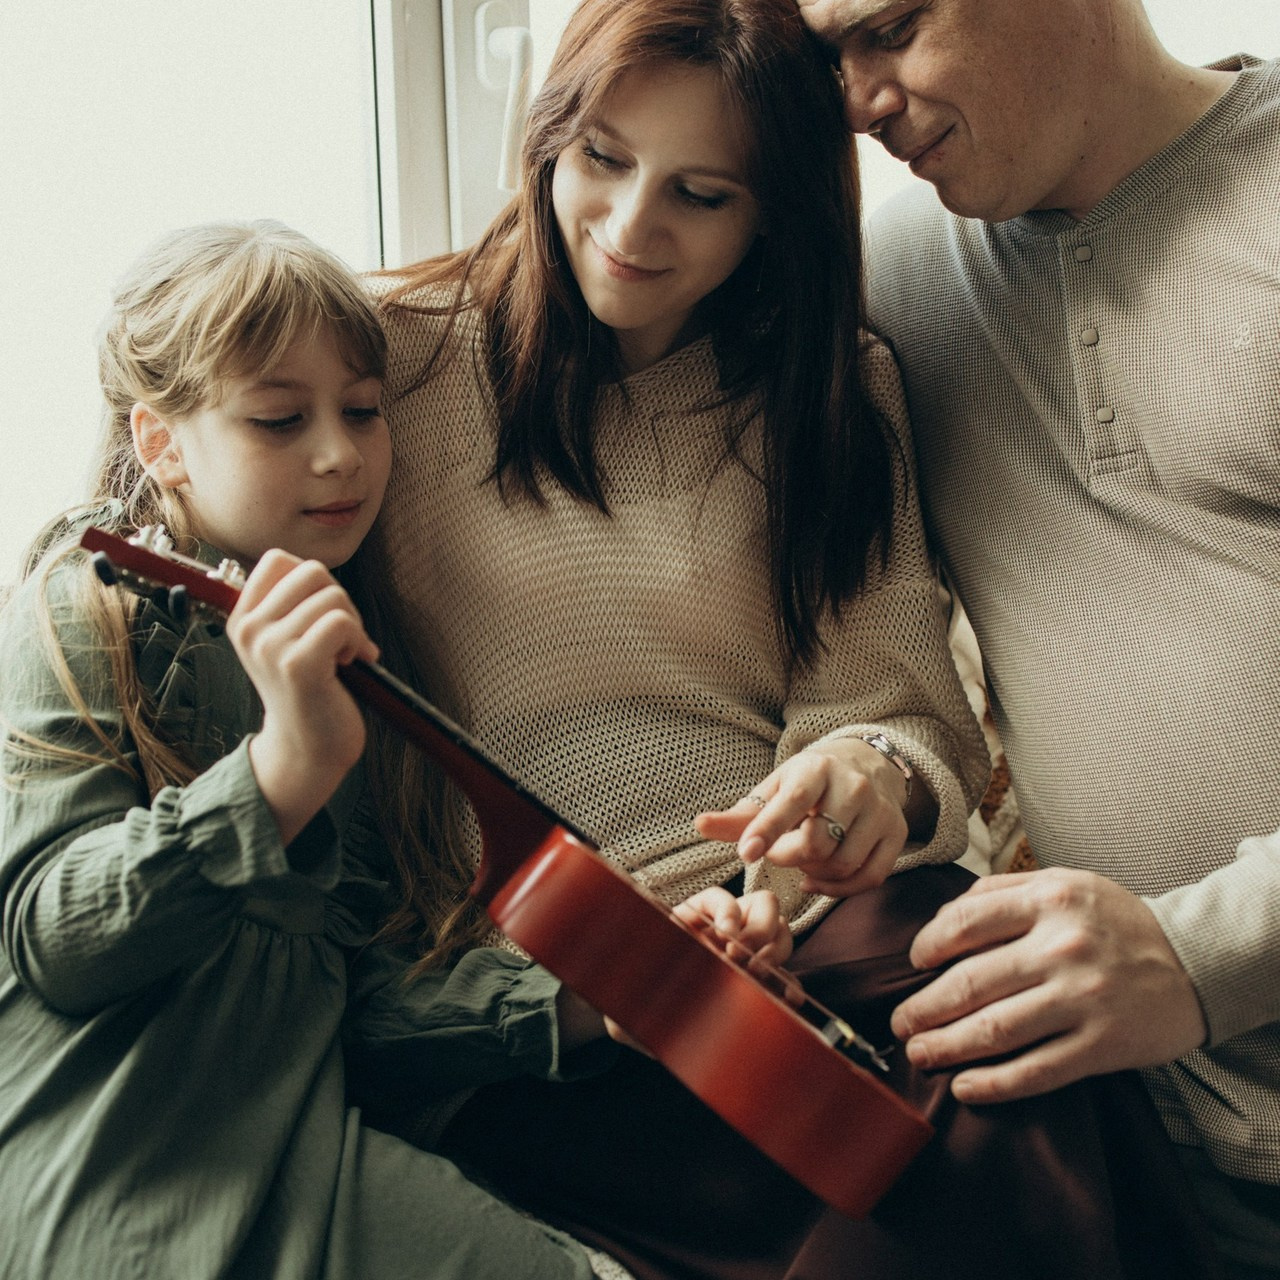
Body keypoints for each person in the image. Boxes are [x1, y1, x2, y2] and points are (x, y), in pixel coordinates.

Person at [349, 1, 1226, 1277]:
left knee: (1002, 1022)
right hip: (550, 994)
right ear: (545, 137)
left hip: (803, 946)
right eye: (600, 158)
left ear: (771, 214)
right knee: (983, 1158)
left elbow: (898, 708)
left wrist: (860, 776)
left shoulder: (827, 388)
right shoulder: (384, 367)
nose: (630, 225)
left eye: (700, 194)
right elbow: (179, 469)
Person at [0, 217, 736, 1280]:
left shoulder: (361, 664)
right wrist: (278, 775)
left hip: (303, 1146)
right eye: (278, 418)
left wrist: (590, 1004)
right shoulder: (88, 613)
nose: (339, 453)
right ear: (160, 444)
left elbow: (351, 1001)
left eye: (361, 409)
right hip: (108, 1160)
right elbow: (57, 940)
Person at [795, 0, 1280, 1273]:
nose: (855, 100)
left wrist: (1200, 952)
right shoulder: (894, 283)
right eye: (828, 57)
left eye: (888, 27)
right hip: (1138, 1151)